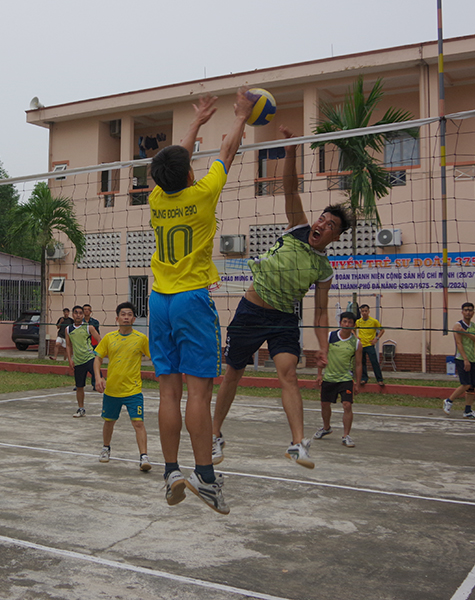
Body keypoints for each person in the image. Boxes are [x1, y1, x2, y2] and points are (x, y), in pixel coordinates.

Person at [212, 125, 354, 471]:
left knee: (289, 374)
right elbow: (290, 189)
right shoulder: (297, 227)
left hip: (284, 320)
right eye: (323, 217)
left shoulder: (325, 269)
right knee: (233, 373)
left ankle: (297, 444)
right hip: (251, 310)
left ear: (334, 237)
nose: (323, 223)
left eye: (331, 224)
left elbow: (320, 313)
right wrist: (291, 152)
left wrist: (323, 345)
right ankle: (214, 433)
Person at [148, 89, 256, 513]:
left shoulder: (157, 199)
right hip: (192, 300)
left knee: (168, 393)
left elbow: (173, 162)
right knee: (199, 393)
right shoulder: (203, 192)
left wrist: (195, 123)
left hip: (158, 301)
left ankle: (171, 470)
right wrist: (241, 115)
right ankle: (206, 478)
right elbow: (228, 149)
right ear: (190, 173)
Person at [93, 302, 152, 471]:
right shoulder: (109, 338)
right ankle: (106, 448)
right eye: (123, 314)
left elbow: (155, 356)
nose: (126, 317)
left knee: (138, 423)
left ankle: (144, 457)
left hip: (133, 391)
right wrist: (98, 378)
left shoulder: (141, 339)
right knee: (109, 422)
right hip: (112, 390)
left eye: (129, 314)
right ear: (117, 317)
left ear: (134, 318)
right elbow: (97, 358)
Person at [314, 312, 362, 448]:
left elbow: (358, 364)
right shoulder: (330, 336)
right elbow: (322, 357)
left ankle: (346, 435)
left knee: (347, 405)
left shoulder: (356, 343)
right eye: (344, 322)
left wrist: (357, 383)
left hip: (345, 378)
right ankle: (326, 427)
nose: (347, 325)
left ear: (353, 325)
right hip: (329, 377)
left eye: (350, 322)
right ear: (341, 323)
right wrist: (319, 375)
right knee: (324, 404)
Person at [444, 302, 475, 419]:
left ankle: (468, 411)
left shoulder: (474, 325)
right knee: (465, 384)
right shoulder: (457, 325)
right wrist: (465, 359)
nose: (468, 312)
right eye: (466, 310)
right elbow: (459, 343)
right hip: (461, 358)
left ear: (473, 313)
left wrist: (465, 332)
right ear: (462, 312)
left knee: (471, 387)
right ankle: (449, 401)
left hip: (472, 358)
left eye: (470, 310)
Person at [65, 305, 100, 418]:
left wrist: (99, 356)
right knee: (79, 386)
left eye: (80, 313)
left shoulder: (88, 327)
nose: (78, 315)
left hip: (90, 359)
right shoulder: (68, 329)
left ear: (83, 315)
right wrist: (70, 359)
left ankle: (110, 407)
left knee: (101, 383)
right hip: (78, 361)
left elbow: (100, 341)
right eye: (76, 313)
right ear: (73, 315)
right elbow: (69, 345)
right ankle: (81, 409)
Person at [356, 304, 385, 386]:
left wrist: (376, 338)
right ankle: (364, 379)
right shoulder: (358, 321)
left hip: (369, 345)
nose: (364, 313)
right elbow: (352, 330)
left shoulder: (374, 321)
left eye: (365, 311)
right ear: (361, 312)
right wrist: (356, 337)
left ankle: (379, 379)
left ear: (368, 311)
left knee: (374, 362)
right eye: (362, 311)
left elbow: (382, 330)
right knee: (362, 362)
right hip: (361, 345)